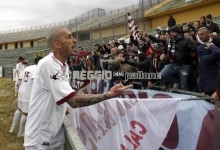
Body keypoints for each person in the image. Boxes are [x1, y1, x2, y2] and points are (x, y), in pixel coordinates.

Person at [24, 27, 132, 150]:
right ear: (57, 44)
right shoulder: (49, 64)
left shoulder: (63, 65)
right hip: (41, 139)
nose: (75, 40)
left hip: (52, 136)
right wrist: (108, 95)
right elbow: (74, 101)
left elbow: (64, 97)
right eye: (69, 37)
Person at [9, 56, 43, 137]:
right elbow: (36, 83)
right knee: (25, 113)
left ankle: (12, 129)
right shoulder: (37, 69)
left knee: (19, 109)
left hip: (21, 90)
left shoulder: (28, 67)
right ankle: (20, 133)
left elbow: (20, 78)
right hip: (28, 93)